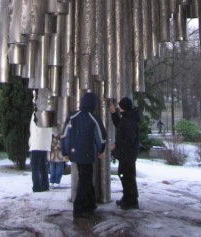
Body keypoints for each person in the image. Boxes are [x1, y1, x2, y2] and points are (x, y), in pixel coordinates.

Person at [61, 92, 107, 220]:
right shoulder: (93, 118)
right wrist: (101, 150)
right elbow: (101, 137)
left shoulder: (72, 116)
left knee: (85, 177)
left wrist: (65, 151)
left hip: (75, 153)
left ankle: (91, 203)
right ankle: (79, 208)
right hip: (87, 153)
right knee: (84, 180)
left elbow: (65, 135)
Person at [109, 96, 140, 210]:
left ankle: (131, 200)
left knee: (127, 176)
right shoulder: (128, 118)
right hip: (127, 153)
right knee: (125, 175)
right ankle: (127, 197)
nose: (118, 108)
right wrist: (113, 114)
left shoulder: (129, 121)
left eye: (119, 106)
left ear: (123, 107)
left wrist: (116, 146)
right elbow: (120, 126)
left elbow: (129, 138)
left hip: (128, 154)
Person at [29, 110, 52, 192]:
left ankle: (36, 186)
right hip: (45, 143)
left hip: (37, 143)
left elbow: (34, 129)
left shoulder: (37, 112)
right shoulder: (48, 113)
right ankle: (45, 185)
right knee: (43, 164)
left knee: (34, 165)